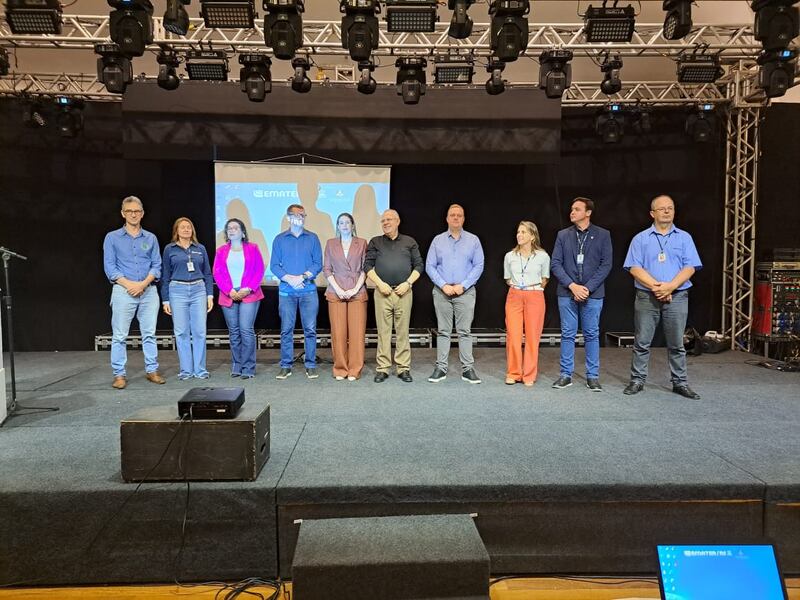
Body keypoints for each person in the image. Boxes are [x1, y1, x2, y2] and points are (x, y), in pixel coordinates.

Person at [622, 195, 703, 399]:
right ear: (652, 213)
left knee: (677, 343)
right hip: (647, 296)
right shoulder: (640, 238)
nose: (667, 211)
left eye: (670, 208)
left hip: (677, 295)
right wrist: (657, 287)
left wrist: (671, 287)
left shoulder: (684, 237)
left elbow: (690, 266)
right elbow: (634, 267)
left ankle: (680, 383)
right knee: (642, 341)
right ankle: (637, 380)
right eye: (662, 209)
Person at [550, 198, 613, 392]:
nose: (572, 212)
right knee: (568, 334)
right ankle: (565, 374)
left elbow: (606, 265)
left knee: (591, 334)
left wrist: (587, 288)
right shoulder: (563, 235)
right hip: (567, 292)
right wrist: (572, 286)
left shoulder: (603, 235)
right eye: (571, 209)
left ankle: (592, 376)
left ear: (588, 213)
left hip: (592, 294)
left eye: (577, 209)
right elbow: (555, 264)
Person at [102, 196, 164, 389]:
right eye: (130, 211)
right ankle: (119, 375)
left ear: (143, 213)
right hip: (123, 291)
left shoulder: (151, 238)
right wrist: (130, 284)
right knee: (119, 335)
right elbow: (110, 267)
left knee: (149, 334)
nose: (134, 214)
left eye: (137, 211)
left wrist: (143, 284)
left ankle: (152, 370)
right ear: (123, 213)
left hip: (148, 291)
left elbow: (157, 266)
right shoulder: (112, 238)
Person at [425, 204, 485, 384]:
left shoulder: (473, 240)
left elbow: (479, 265)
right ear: (447, 218)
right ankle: (441, 368)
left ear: (464, 219)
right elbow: (430, 266)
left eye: (459, 215)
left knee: (464, 332)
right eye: (453, 215)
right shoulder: (438, 240)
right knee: (443, 331)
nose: (456, 218)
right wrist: (443, 285)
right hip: (442, 292)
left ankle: (467, 369)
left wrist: (463, 285)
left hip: (465, 293)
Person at [364, 209, 424, 383]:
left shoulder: (409, 241)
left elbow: (419, 265)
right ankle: (382, 368)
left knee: (402, 332)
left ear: (398, 221)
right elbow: (367, 265)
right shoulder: (375, 242)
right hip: (382, 293)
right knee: (383, 332)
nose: (385, 223)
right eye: (383, 220)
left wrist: (408, 284)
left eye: (389, 219)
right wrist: (379, 284)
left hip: (403, 293)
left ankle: (403, 368)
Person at [270, 204, 323, 380]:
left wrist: (302, 277)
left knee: (310, 329)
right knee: (286, 330)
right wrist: (290, 279)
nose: (300, 217)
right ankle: (286, 365)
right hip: (286, 291)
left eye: (302, 215)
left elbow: (317, 263)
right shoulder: (279, 239)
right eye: (296, 214)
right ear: (288, 217)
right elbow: (274, 266)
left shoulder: (313, 238)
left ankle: (310, 364)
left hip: (308, 290)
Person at [161, 217, 214, 380]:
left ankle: (200, 369)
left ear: (192, 230)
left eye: (188, 227)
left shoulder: (200, 248)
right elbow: (165, 275)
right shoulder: (170, 249)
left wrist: (209, 295)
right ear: (176, 231)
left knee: (199, 332)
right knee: (181, 332)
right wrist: (166, 299)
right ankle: (186, 370)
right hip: (177, 290)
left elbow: (207, 273)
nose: (186, 230)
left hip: (198, 289)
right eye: (182, 227)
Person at [213, 218, 265, 379]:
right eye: (229, 228)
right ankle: (237, 365)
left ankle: (248, 367)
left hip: (249, 293)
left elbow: (259, 270)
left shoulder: (253, 248)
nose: (231, 230)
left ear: (243, 232)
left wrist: (247, 288)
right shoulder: (221, 251)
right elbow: (217, 272)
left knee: (245, 329)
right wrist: (229, 290)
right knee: (234, 332)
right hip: (228, 294)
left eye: (235, 227)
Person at [504, 221, 550, 387]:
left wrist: (531, 289)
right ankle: (513, 373)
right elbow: (507, 278)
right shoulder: (510, 256)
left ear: (532, 236)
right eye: (518, 232)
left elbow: (545, 279)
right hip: (515, 295)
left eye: (524, 232)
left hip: (534, 295)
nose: (519, 235)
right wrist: (519, 289)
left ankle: (529, 374)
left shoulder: (543, 256)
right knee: (514, 336)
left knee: (532, 337)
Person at [323, 213, 368, 381]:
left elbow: (365, 268)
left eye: (347, 222)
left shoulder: (362, 243)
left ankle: (355, 370)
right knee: (338, 333)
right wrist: (338, 288)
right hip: (336, 292)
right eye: (341, 222)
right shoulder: (330, 243)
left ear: (353, 225)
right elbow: (327, 269)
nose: (344, 225)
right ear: (337, 226)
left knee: (357, 334)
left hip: (357, 292)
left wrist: (356, 288)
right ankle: (340, 369)